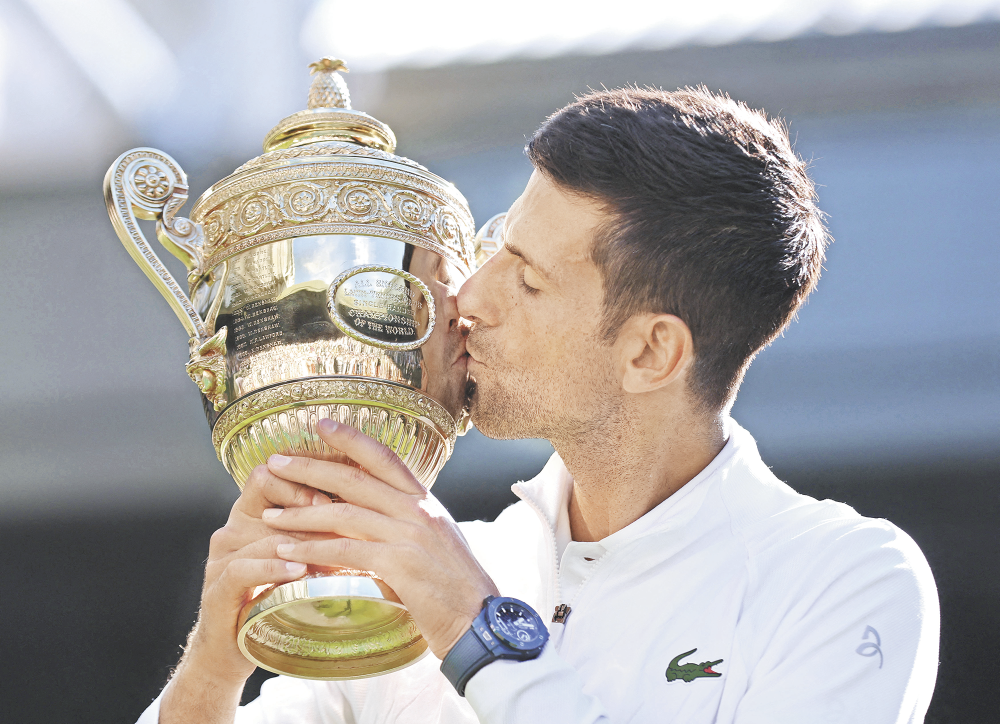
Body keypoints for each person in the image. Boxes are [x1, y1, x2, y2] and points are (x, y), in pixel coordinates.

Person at [139, 87, 939, 724]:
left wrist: (479, 632)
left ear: (650, 352)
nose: (465, 300)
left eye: (524, 278)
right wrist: (215, 659)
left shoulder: (846, 580)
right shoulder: (419, 580)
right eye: (492, 249)